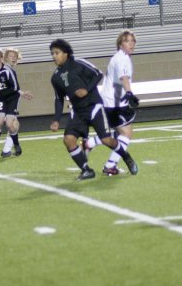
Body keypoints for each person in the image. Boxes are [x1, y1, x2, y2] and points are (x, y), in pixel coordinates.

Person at [49, 38, 136, 180]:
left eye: (57, 53)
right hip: (77, 111)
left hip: (94, 106)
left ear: (66, 53)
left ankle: (126, 156)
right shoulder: (55, 77)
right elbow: (59, 98)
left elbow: (98, 74)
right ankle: (86, 170)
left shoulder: (79, 64)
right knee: (68, 140)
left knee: (107, 140)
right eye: (52, 53)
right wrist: (56, 119)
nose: (54, 56)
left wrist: (86, 90)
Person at [83, 30, 140, 176]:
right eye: (127, 41)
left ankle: (90, 144)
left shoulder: (121, 57)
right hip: (114, 104)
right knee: (126, 134)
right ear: (120, 44)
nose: (131, 43)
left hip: (111, 102)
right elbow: (124, 77)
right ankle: (110, 165)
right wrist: (129, 92)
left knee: (114, 135)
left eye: (133, 41)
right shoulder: (121, 58)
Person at [0, 47, 34, 157]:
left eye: (15, 56)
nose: (13, 58)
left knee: (13, 124)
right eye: (11, 56)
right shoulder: (5, 70)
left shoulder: (10, 70)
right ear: (5, 58)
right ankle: (8, 149)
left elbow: (12, 88)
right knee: (11, 124)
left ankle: (7, 150)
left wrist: (22, 93)